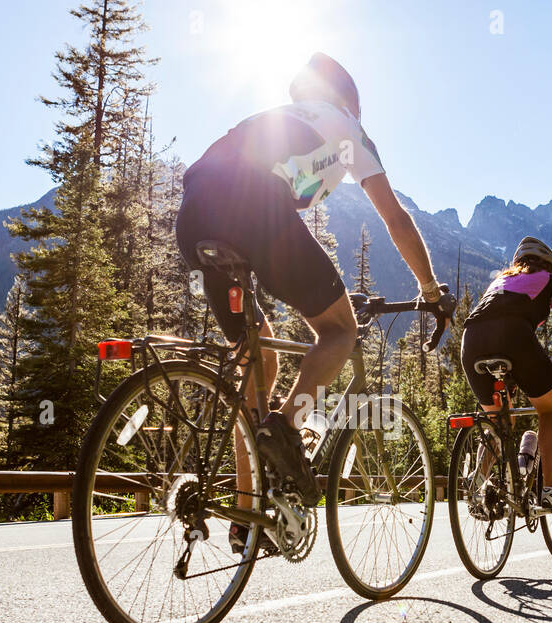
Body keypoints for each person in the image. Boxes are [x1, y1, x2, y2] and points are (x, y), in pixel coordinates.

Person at [175, 52, 448, 551]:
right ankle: (285, 427)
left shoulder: (278, 116)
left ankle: (247, 511)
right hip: (253, 209)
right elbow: (395, 219)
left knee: (260, 357)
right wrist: (430, 291)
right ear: (350, 102)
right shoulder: (348, 127)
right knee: (339, 330)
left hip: (193, 213)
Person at [460, 237, 552, 510]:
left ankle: (478, 485)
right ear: (549, 266)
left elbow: (490, 320)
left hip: (471, 340)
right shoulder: (550, 281)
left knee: (498, 421)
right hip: (514, 338)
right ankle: (549, 490)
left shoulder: (499, 281)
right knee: (550, 412)